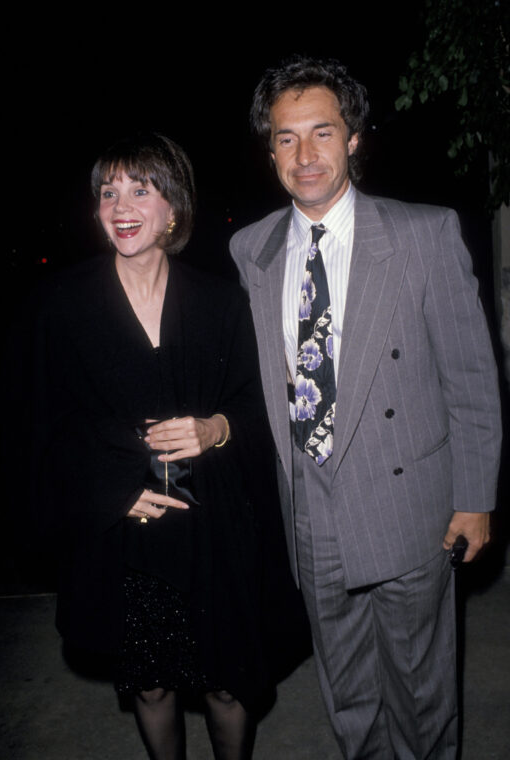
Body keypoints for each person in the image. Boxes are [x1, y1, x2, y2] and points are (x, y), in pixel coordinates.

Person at [230, 55, 501, 759]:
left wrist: (475, 497)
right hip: (311, 512)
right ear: (270, 151)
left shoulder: (422, 234)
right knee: (347, 694)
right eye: (286, 138)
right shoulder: (249, 248)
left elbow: (471, 376)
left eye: (323, 132)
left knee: (421, 693)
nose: (306, 154)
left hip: (408, 504)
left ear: (354, 138)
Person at [30, 132, 274, 760]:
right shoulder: (63, 306)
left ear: (174, 208)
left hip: (215, 529)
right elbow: (44, 426)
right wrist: (112, 492)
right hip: (129, 536)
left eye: (141, 188)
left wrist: (214, 428)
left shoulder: (222, 302)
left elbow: (258, 405)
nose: (121, 204)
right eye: (108, 192)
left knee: (227, 686)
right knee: (153, 686)